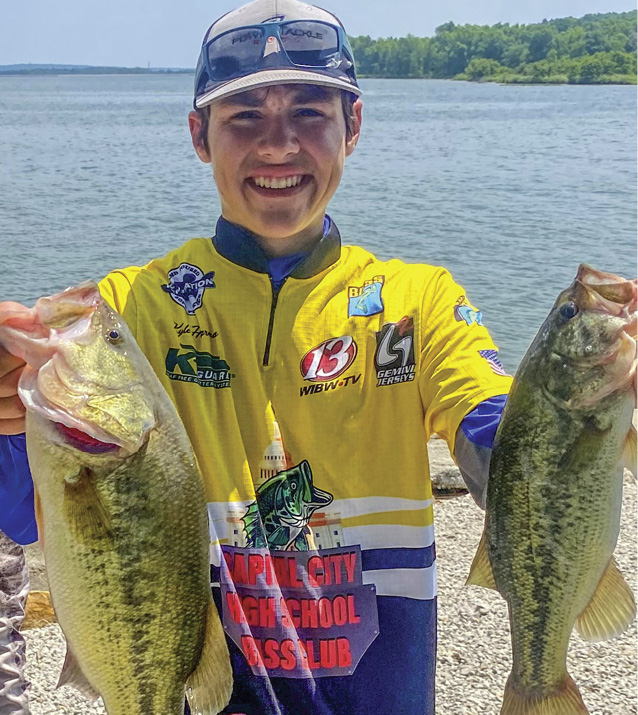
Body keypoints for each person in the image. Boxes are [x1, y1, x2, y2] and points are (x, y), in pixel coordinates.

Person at [0, 0, 512, 712]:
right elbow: (25, 513)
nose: (278, 145)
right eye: (244, 116)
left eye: (309, 112)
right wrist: (8, 413)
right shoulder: (130, 310)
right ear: (199, 135)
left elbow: (500, 439)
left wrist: (584, 405)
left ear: (353, 126)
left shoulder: (418, 302)